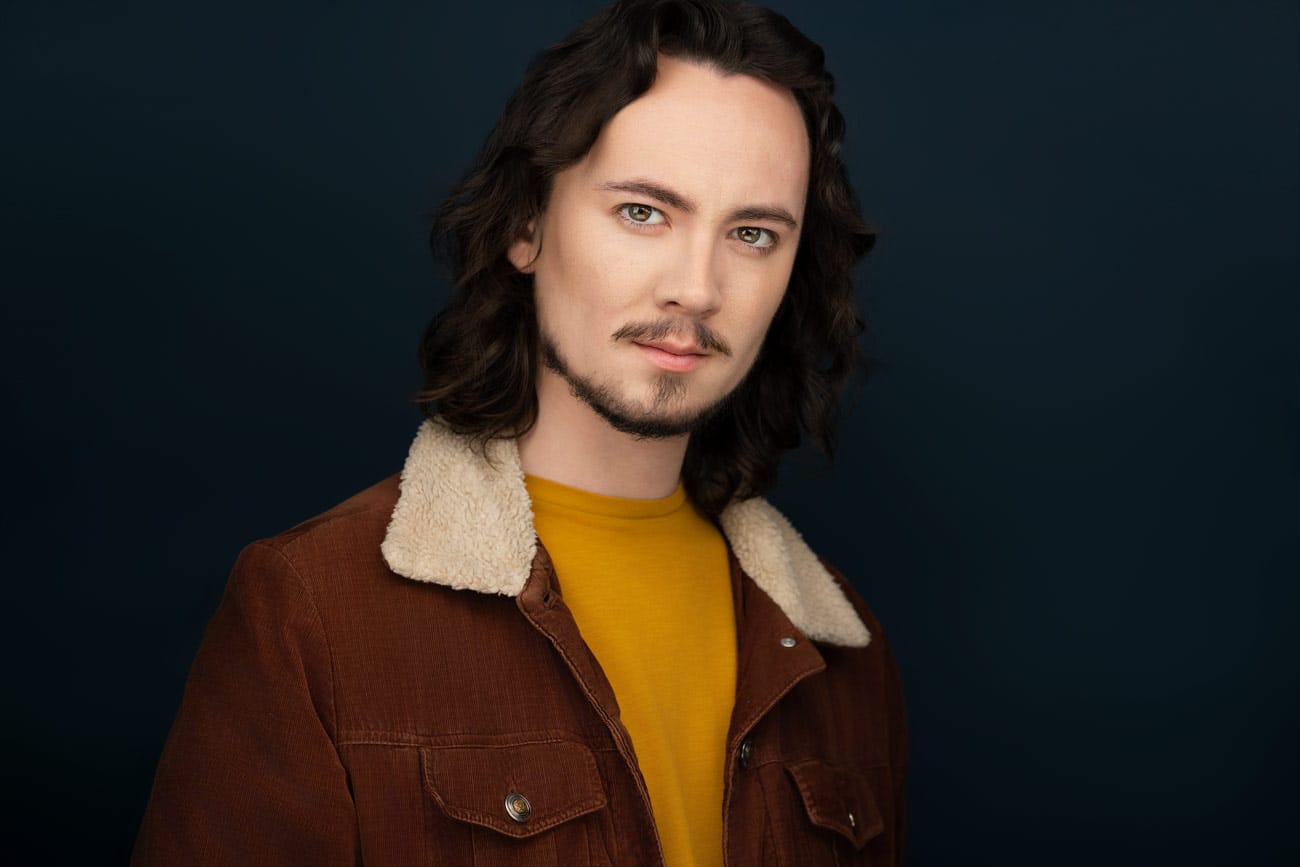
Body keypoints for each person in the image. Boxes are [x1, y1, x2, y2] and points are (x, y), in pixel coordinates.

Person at [131, 0, 907, 864]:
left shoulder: (845, 650)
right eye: (644, 212)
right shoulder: (311, 611)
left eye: (753, 233)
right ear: (526, 226)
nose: (698, 286)